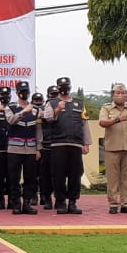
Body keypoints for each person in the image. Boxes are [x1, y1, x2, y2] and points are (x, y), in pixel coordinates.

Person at [43, 77, 91, 215]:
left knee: (75, 175)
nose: (64, 88)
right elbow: (48, 119)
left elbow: (84, 124)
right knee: (58, 175)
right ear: (57, 87)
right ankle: (61, 202)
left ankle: (72, 202)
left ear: (70, 86)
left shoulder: (79, 103)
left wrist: (86, 143)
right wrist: (57, 109)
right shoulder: (51, 103)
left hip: (75, 144)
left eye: (66, 85)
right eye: (61, 86)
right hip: (58, 143)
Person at [98, 83, 127, 214]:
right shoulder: (107, 108)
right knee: (113, 178)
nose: (121, 95)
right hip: (112, 148)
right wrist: (117, 119)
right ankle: (113, 204)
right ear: (113, 95)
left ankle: (126, 203)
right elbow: (102, 123)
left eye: (124, 93)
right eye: (118, 93)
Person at [5, 81, 42, 215]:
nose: (24, 93)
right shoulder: (11, 107)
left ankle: (27, 203)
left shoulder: (36, 109)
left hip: (31, 148)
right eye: (22, 91)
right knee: (14, 178)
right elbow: (11, 121)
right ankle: (16, 203)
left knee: (30, 177)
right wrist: (23, 112)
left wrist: (38, 148)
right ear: (17, 93)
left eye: (26, 91)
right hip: (14, 148)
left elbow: (38, 130)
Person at [38, 85, 59, 210]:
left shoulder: (64, 108)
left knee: (58, 175)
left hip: (58, 144)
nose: (54, 96)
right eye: (52, 94)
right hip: (45, 145)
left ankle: (59, 198)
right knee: (45, 175)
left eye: (56, 94)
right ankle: (47, 198)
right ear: (48, 95)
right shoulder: (42, 109)